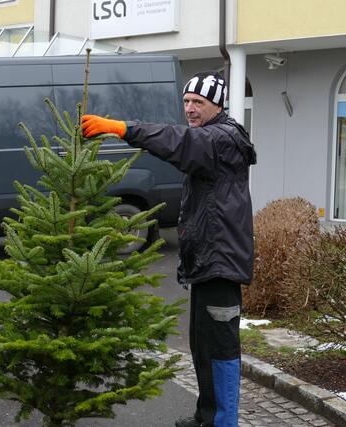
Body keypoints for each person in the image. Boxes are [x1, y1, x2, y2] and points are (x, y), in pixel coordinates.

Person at [81, 71, 257, 427]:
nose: (190, 109)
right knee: (202, 345)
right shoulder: (209, 136)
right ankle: (206, 416)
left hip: (221, 263)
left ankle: (224, 422)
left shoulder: (219, 139)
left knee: (220, 346)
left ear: (217, 105)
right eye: (187, 101)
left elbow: (175, 141)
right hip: (208, 260)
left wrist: (122, 128)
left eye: (199, 103)